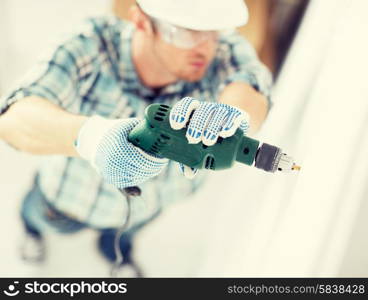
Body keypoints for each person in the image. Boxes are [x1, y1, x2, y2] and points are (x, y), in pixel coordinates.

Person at [0, 0, 271, 275]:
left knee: (122, 238)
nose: (207, 48)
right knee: (38, 217)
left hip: (145, 208)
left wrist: (234, 116)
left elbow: (250, 84)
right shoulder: (88, 46)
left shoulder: (224, 50)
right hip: (68, 202)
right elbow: (13, 121)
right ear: (142, 21)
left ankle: (117, 250)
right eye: (188, 32)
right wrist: (92, 136)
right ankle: (31, 230)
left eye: (214, 32)